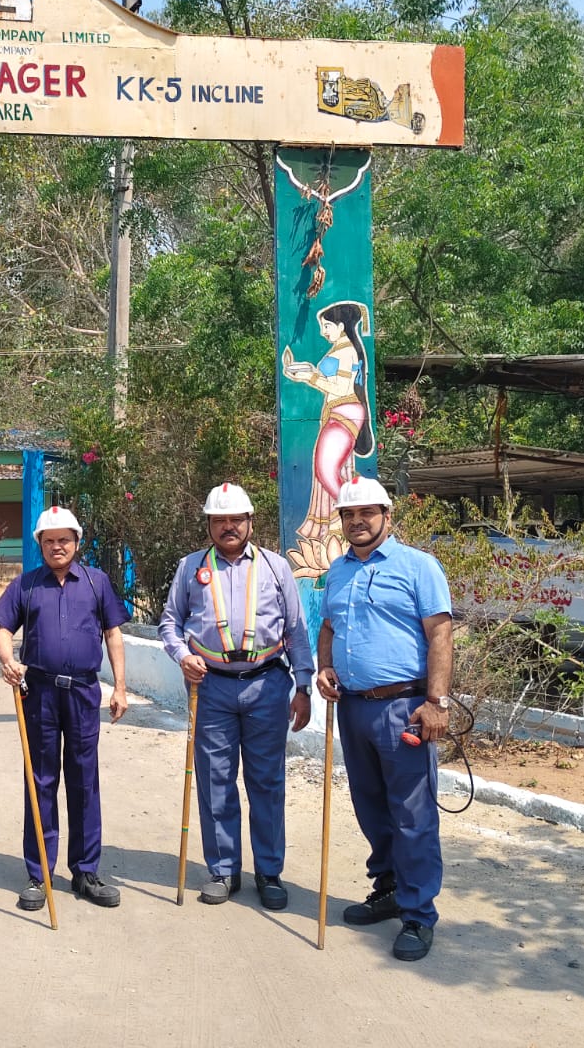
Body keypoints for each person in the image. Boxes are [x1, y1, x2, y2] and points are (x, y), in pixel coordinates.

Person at [315, 476, 454, 962]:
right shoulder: (337, 571)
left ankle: (418, 915)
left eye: (367, 513)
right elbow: (328, 627)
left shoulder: (419, 566)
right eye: (348, 514)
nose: (357, 521)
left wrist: (437, 702)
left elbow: (440, 635)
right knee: (371, 807)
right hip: (354, 707)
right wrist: (324, 668)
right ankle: (389, 889)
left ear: (387, 517)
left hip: (405, 709)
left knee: (413, 815)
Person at [159, 482, 313, 909]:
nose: (228, 526)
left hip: (267, 684)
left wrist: (303, 686)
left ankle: (269, 871)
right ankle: (224, 869)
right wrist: (182, 656)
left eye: (235, 519)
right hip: (210, 687)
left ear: (250, 522)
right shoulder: (190, 567)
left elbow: (296, 631)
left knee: (267, 781)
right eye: (219, 520)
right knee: (215, 780)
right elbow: (170, 623)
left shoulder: (276, 567)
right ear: (209, 525)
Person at [0, 505, 129, 911]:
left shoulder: (97, 582)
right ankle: (40, 875)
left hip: (83, 693)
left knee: (84, 781)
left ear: (77, 542)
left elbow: (113, 634)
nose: (56, 547)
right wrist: (8, 660)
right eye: (49, 541)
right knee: (41, 781)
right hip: (40, 693)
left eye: (64, 540)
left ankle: (85, 871)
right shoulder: (27, 585)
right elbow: (2, 629)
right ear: (40, 545)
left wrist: (120, 688)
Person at [281, 301, 375, 578]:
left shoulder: (347, 351)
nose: (323, 332)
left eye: (326, 326)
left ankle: (351, 511)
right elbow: (328, 380)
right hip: (337, 411)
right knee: (327, 470)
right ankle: (341, 518)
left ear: (341, 325)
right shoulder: (338, 349)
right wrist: (306, 373)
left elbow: (342, 386)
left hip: (344, 410)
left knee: (325, 469)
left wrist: (310, 376)